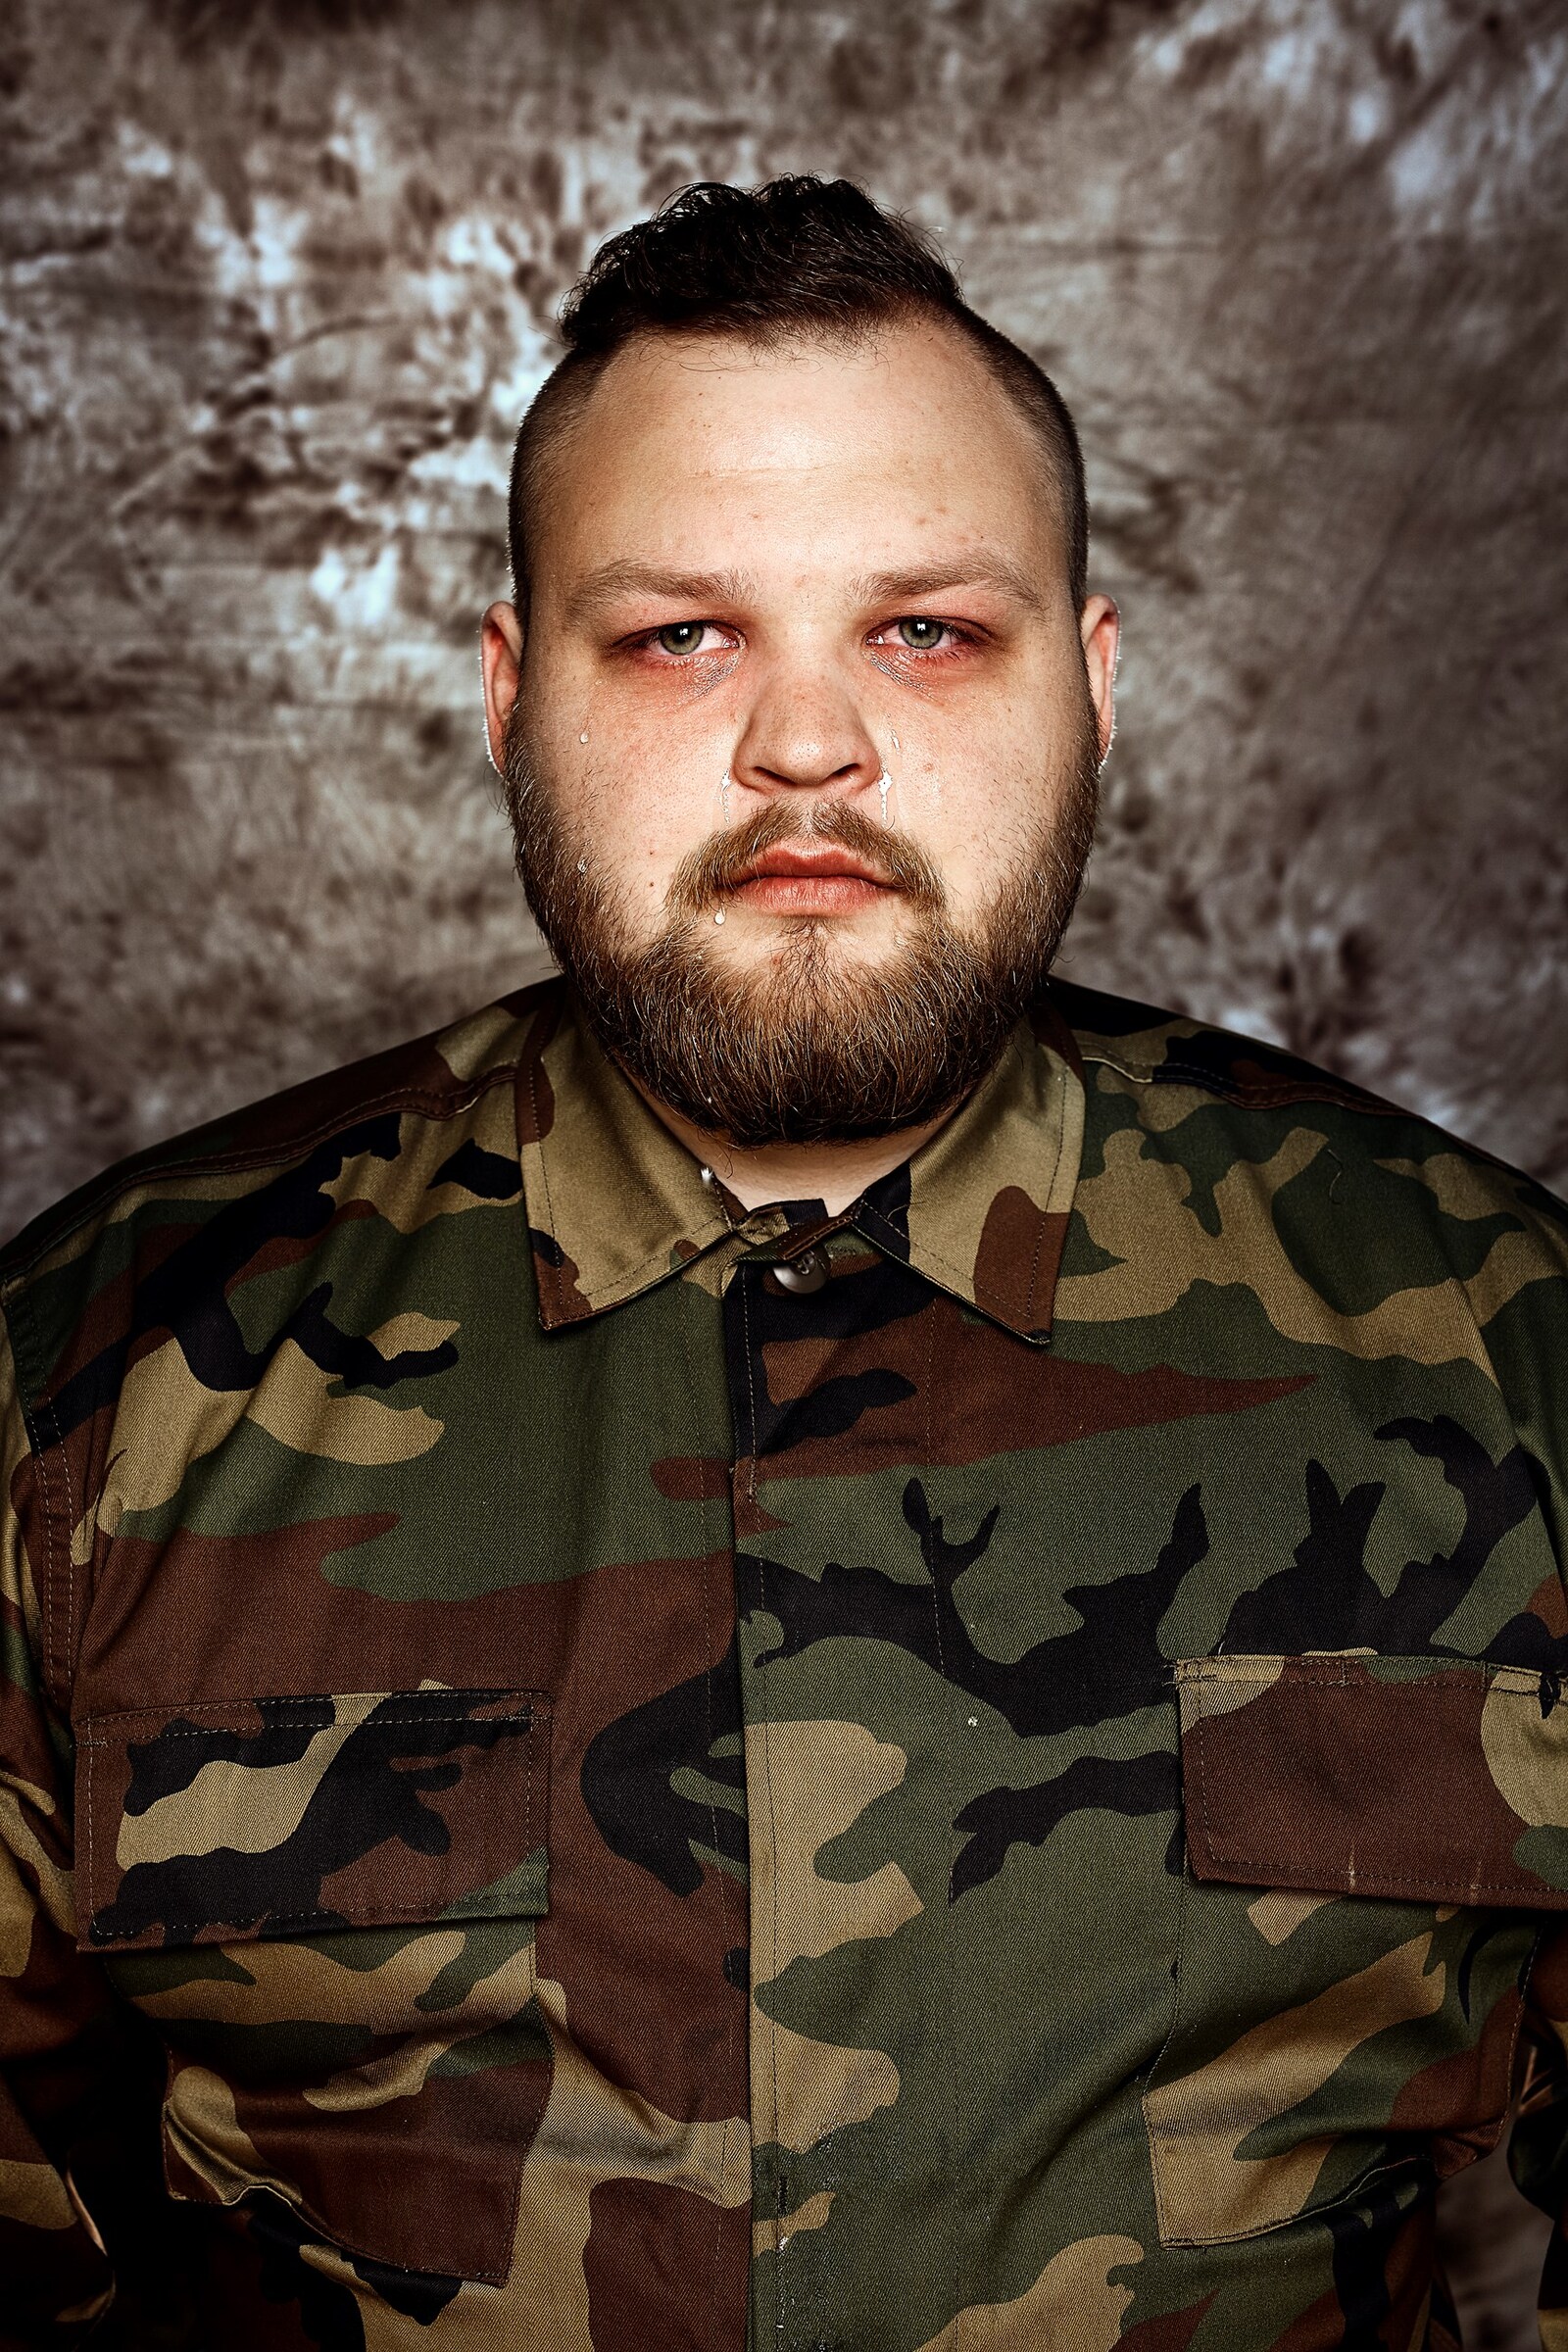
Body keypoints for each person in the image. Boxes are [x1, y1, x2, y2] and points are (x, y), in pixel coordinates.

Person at [1, 174, 1565, 2352]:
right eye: (681, 636)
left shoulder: (1499, 1346)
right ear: (510, 696)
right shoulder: (90, 1385)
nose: (806, 745)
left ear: (1091, 685)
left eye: (923, 631)